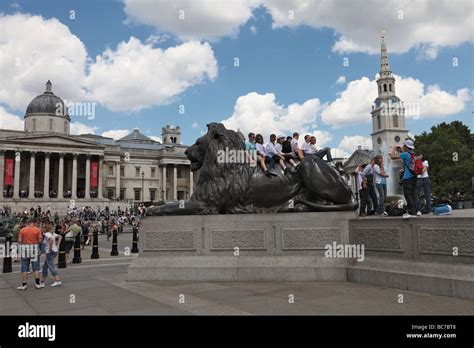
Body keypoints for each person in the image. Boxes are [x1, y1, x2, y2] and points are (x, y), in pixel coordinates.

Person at [390, 140, 418, 218]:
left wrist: (394, 148)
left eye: (404, 146)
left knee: (407, 194)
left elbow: (392, 157)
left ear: (406, 147)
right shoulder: (413, 154)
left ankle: (412, 212)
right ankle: (415, 210)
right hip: (414, 177)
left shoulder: (405, 154)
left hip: (407, 178)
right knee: (413, 194)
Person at [17, 218, 43, 290]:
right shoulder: (37, 230)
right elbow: (40, 240)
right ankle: (37, 284)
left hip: (25, 249)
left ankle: (24, 285)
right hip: (34, 248)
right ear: (34, 223)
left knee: (24, 268)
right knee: (36, 267)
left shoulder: (22, 230)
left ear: (28, 223)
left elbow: (19, 240)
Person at [39, 220, 62, 287]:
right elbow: (60, 237)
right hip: (54, 251)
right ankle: (42, 282)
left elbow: (51, 239)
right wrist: (57, 245)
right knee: (45, 267)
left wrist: (50, 248)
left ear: (45, 228)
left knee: (51, 266)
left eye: (42, 227)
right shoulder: (52, 233)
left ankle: (57, 280)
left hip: (50, 252)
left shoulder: (47, 234)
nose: (41, 228)